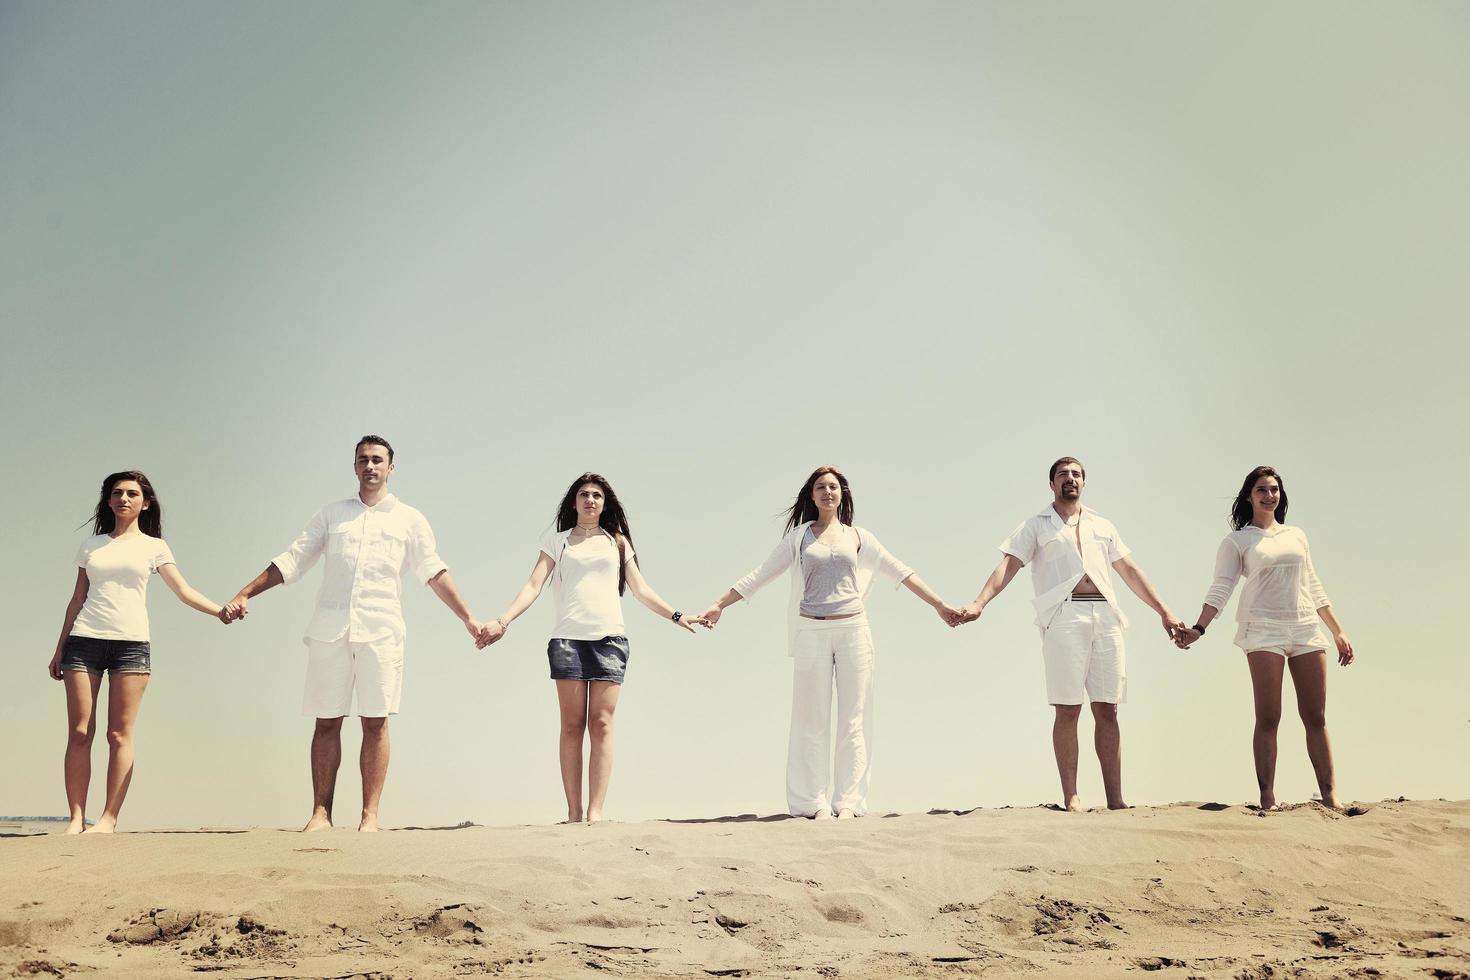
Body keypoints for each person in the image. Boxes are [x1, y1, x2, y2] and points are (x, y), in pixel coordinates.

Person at [221, 436, 486, 832]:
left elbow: (433, 570)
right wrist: (244, 592)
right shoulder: (331, 515)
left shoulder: (409, 519)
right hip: (330, 629)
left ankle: (370, 816)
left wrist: (469, 618)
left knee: (375, 721)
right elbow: (292, 560)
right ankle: (320, 813)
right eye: (363, 460)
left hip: (381, 630)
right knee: (326, 721)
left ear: (391, 468)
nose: (370, 466)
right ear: (354, 466)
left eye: (378, 460)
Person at [698, 466, 961, 820]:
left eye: (833, 487)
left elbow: (902, 571)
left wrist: (940, 606)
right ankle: (813, 802)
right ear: (812, 495)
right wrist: (719, 605)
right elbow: (760, 574)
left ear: (842, 494)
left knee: (855, 718)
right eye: (820, 487)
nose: (827, 492)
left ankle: (849, 802)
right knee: (811, 719)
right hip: (811, 631)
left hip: (854, 630)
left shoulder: (859, 537)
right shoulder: (799, 538)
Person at [956, 457, 1184, 811]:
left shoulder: (1103, 525)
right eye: (1063, 474)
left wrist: (1164, 612)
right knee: (1067, 708)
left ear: (1084, 482)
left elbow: (1130, 570)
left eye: (1076, 474)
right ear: (1052, 484)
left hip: (1106, 616)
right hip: (1064, 616)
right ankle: (1071, 796)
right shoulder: (1036, 525)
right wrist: (979, 602)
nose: (1070, 479)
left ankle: (1115, 798)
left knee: (1107, 708)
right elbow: (1009, 565)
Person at [478, 472, 705, 824]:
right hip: (567, 640)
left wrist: (677, 615)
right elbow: (533, 585)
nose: (590, 500)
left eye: (597, 495)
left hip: (610, 640)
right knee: (572, 724)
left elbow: (641, 589)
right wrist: (503, 621)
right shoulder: (557, 542)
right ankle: (573, 812)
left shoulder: (618, 543)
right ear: (574, 502)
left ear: (605, 503)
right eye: (583, 494)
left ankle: (596, 813)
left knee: (601, 724)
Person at [47, 470, 233, 834]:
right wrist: (60, 648)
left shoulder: (154, 547)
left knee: (119, 734)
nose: (123, 498)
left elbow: (182, 590)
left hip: (131, 645)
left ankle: (107, 819)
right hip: (83, 642)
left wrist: (219, 610)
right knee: (80, 731)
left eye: (132, 493)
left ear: (145, 502)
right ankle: (74, 819)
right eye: (116, 493)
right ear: (108, 501)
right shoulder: (91, 545)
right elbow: (76, 600)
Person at [1173, 465, 1354, 810]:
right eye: (1262, 490)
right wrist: (1199, 628)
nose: (1269, 495)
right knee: (1269, 716)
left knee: (1315, 716)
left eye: (1274, 489)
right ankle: (1268, 798)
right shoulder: (1238, 541)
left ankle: (1331, 798)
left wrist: (1337, 629)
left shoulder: (1296, 535)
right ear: (1248, 496)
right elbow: (1222, 587)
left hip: (1305, 629)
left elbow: (1313, 584)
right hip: (1262, 630)